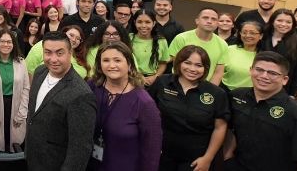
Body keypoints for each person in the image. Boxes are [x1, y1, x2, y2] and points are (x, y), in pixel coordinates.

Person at [222, 52, 297, 171]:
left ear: (284, 79)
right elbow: (231, 130)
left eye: (272, 73)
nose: (264, 76)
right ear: (250, 70)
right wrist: (227, 157)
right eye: (259, 69)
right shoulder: (236, 96)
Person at [148, 45, 229, 171]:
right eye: (187, 63)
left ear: (205, 68)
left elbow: (220, 128)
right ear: (179, 63)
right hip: (163, 155)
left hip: (196, 160)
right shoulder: (162, 82)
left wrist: (208, 158)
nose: (192, 69)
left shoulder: (217, 93)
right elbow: (147, 115)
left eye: (199, 65)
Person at [24, 31, 96, 170]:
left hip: (56, 164)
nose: (53, 59)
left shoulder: (81, 94)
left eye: (59, 53)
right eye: (48, 52)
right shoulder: (40, 72)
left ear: (70, 53)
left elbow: (80, 149)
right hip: (33, 158)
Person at [87, 42, 162, 171]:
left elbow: (151, 152)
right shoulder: (92, 87)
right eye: (106, 60)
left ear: (129, 64)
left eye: (117, 60)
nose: (111, 65)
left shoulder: (144, 103)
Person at [0, 30, 30, 152]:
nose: (6, 44)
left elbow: (26, 88)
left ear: (14, 44)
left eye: (9, 42)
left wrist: (22, 112)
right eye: (2, 41)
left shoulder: (21, 62)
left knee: (15, 142)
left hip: (15, 105)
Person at [168, 8, 229, 85]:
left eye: (213, 19)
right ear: (197, 21)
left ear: (217, 24)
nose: (209, 21)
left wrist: (208, 91)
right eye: (205, 18)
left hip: (203, 88)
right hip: (178, 84)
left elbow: (218, 73)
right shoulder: (181, 38)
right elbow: (176, 65)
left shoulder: (223, 44)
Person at [128, 10, 170, 85]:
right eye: (139, 22)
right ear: (134, 23)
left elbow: (163, 63)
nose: (143, 26)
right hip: (131, 79)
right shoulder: (128, 38)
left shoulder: (161, 41)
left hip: (153, 82)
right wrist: (138, 76)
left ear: (153, 23)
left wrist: (155, 76)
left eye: (147, 22)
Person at [223, 21, 264, 90]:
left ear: (261, 36)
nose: (247, 35)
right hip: (226, 91)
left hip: (250, 95)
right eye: (244, 32)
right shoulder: (229, 49)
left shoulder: (264, 56)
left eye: (252, 33)